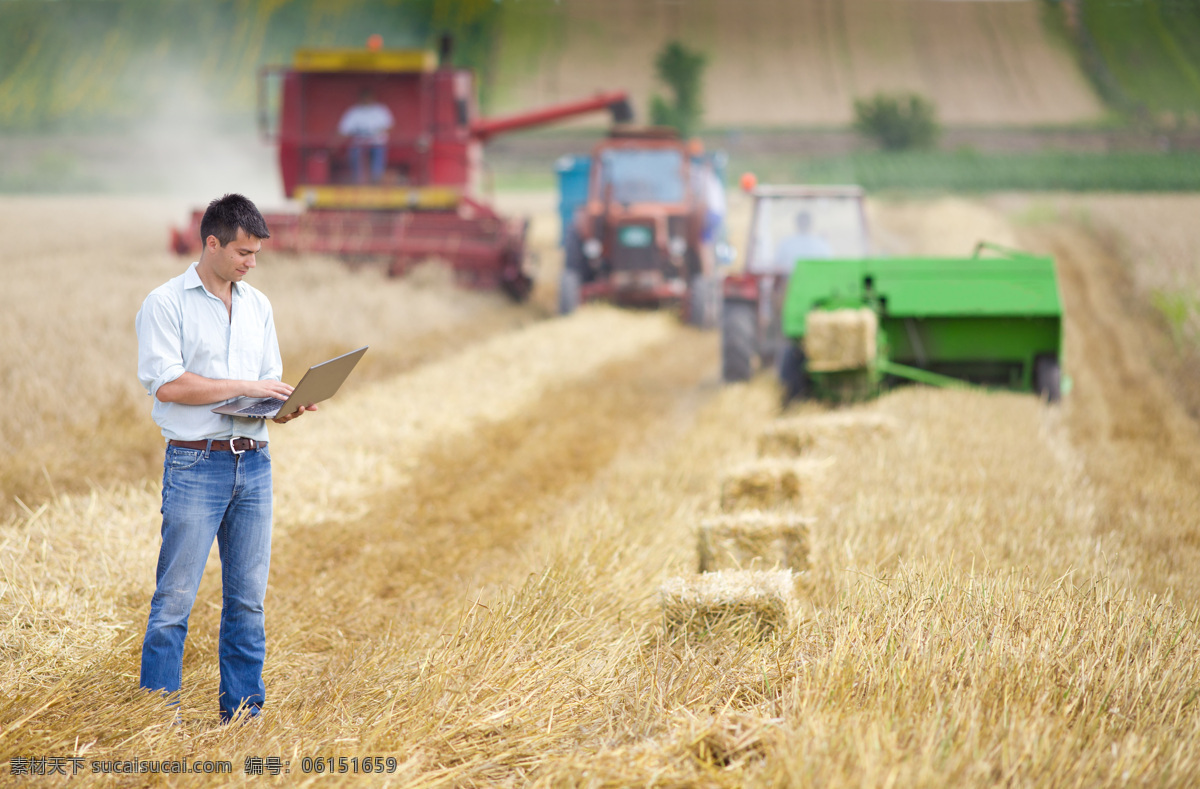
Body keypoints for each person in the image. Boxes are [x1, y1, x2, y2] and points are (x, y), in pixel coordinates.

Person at [135, 193, 316, 723]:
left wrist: (286, 408)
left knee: (247, 602)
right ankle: (154, 720)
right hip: (195, 465)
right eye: (242, 251)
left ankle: (244, 713)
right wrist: (247, 385)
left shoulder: (258, 306)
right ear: (211, 243)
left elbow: (261, 392)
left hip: (254, 463)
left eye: (256, 253)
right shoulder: (165, 303)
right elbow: (168, 385)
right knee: (173, 603)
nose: (250, 263)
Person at [337, 88, 394, 184]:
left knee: (379, 151)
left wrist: (376, 132)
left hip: (377, 143)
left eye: (368, 97)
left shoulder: (380, 110)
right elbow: (344, 130)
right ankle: (357, 179)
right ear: (360, 98)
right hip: (359, 143)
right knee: (354, 152)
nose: (366, 99)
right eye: (364, 97)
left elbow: (390, 126)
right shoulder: (354, 112)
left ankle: (376, 178)